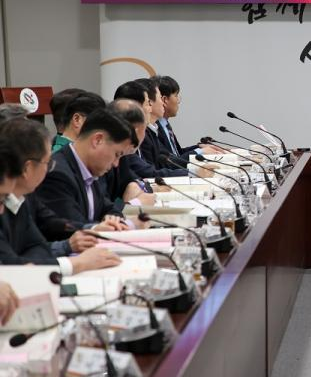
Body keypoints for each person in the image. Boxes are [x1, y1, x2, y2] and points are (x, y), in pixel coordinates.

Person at [0, 118, 121, 274]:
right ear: (27, 168)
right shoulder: (12, 195)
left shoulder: (22, 197)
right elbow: (11, 267)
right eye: (48, 163)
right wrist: (75, 263)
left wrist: (28, 263)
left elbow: (38, 246)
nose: (49, 169)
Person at [36, 108, 132, 230]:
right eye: (117, 154)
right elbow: (72, 228)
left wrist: (114, 220)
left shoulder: (89, 169)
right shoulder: (57, 174)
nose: (116, 164)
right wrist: (99, 228)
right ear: (97, 140)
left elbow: (108, 208)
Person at [114, 81, 188, 178]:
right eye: (148, 103)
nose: (150, 109)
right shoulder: (121, 144)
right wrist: (192, 172)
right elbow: (148, 173)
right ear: (135, 108)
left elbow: (166, 159)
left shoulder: (149, 133)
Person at [154, 75, 220, 160]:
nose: (178, 101)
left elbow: (178, 154)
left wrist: (200, 147)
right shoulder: (154, 128)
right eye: (176, 96)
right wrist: (200, 152)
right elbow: (169, 161)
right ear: (165, 100)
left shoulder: (165, 125)